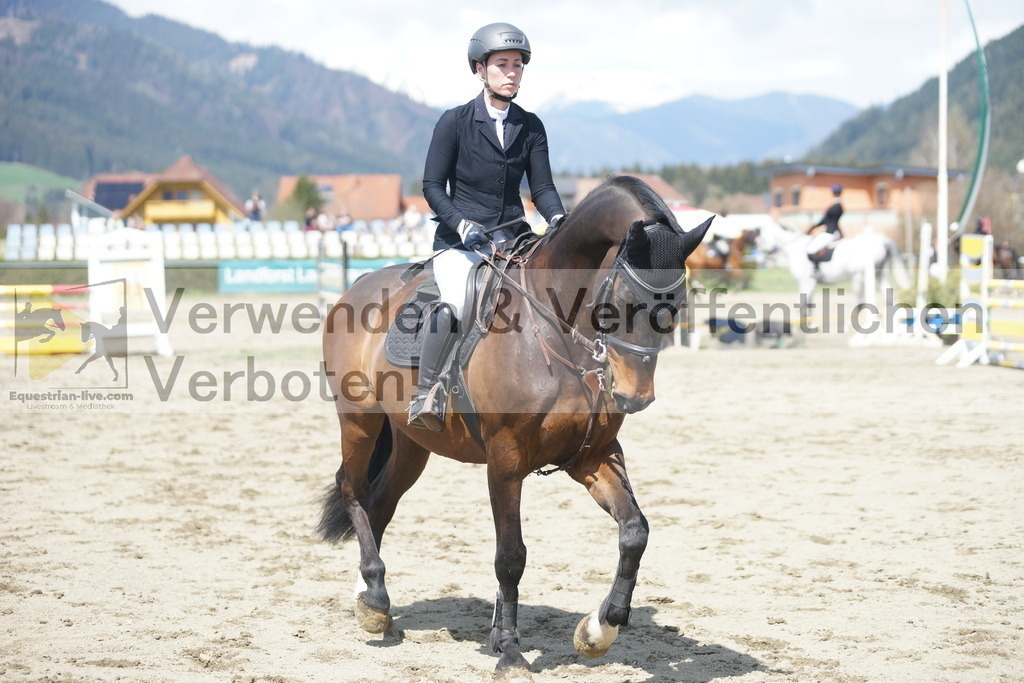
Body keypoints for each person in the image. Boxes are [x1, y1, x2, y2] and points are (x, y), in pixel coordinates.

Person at [407, 22, 566, 432]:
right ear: (480, 69)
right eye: (502, 64)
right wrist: (461, 224)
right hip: (460, 242)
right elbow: (431, 185)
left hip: (514, 238)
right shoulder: (454, 122)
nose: (511, 72)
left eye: (517, 65)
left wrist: (560, 220)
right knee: (456, 301)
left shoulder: (531, 126)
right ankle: (428, 392)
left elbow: (543, 187)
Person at [806, 184, 844, 279]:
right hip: (835, 232)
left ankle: (817, 271)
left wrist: (812, 228)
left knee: (810, 249)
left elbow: (824, 221)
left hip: (830, 233)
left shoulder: (834, 207)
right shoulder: (839, 206)